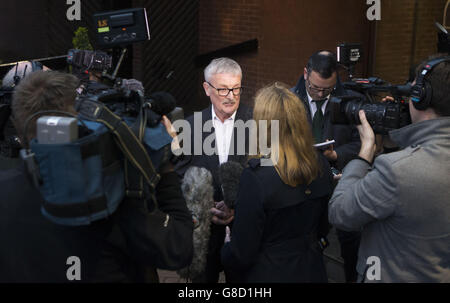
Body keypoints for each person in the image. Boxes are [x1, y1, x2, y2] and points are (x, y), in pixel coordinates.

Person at [0, 70, 193, 282]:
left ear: (18, 131)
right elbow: (179, 247)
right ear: (79, 121)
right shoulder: (109, 198)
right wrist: (163, 162)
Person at [328, 55, 450, 282]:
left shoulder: (396, 171)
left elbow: (341, 212)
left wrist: (365, 152)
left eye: (410, 92)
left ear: (421, 98)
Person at [221, 82, 333, 282]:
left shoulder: (256, 177)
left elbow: (242, 253)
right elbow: (323, 227)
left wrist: (227, 247)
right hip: (311, 270)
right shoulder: (321, 164)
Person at [175, 57, 252, 283]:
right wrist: (203, 205)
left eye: (236, 89)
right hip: (203, 237)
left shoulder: (257, 122)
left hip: (244, 232)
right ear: (207, 89)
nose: (230, 96)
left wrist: (236, 208)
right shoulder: (189, 126)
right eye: (223, 89)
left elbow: (264, 177)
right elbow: (180, 177)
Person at [291, 50, 362, 282]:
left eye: (327, 89)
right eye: (315, 88)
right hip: (305, 186)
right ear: (305, 74)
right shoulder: (290, 100)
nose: (320, 94)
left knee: (351, 241)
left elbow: (362, 143)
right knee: (309, 243)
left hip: (341, 183)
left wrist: (336, 155)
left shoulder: (350, 100)